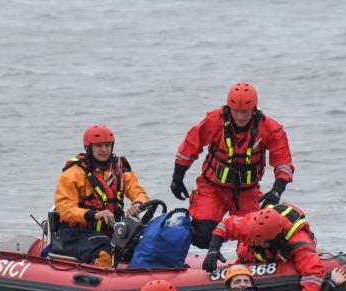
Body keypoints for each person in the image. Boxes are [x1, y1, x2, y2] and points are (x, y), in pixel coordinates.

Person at [170, 82, 294, 249]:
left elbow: (283, 162)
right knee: (203, 238)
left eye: (245, 112)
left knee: (254, 240)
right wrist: (178, 177)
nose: (240, 117)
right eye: (236, 111)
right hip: (212, 188)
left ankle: (245, 264)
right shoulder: (215, 120)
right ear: (229, 108)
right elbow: (191, 145)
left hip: (247, 193)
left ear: (254, 109)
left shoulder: (270, 128)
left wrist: (277, 189)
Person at [53, 125, 149, 267]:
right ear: (89, 147)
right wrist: (93, 214)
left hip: (111, 231)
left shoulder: (119, 170)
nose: (104, 150)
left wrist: (137, 204)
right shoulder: (73, 174)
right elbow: (65, 208)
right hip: (76, 234)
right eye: (99, 146)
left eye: (108, 145)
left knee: (146, 245)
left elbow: (137, 191)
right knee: (104, 252)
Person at [202, 203, 324, 291]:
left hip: (282, 262)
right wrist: (213, 249)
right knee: (245, 251)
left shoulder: (298, 240)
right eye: (254, 241)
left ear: (275, 238)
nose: (256, 244)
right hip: (250, 259)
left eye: (261, 242)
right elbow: (225, 225)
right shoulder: (250, 224)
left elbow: (313, 274)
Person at [211, 263, 346, 291]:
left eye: (246, 281)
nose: (242, 285)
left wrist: (332, 283)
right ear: (229, 286)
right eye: (237, 281)